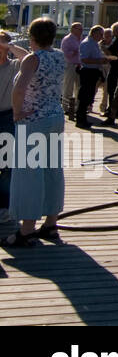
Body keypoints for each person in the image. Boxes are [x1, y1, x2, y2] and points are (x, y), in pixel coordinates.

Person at [4, 18, 67, 246]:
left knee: (30, 173)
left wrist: (16, 113)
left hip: (33, 120)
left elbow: (19, 89)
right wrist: (10, 47)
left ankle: (27, 229)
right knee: (52, 169)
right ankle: (51, 224)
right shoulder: (59, 56)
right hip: (55, 118)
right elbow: (30, 60)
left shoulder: (33, 59)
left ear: (31, 37)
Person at [0, 31, 31, 227]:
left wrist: (8, 45)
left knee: (6, 164)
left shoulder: (14, 66)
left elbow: (28, 57)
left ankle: (4, 206)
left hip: (6, 116)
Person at [75, 26, 110, 129]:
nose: (102, 37)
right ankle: (80, 120)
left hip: (93, 71)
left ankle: (83, 119)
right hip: (87, 71)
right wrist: (99, 61)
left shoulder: (94, 43)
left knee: (89, 96)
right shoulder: (87, 43)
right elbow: (84, 59)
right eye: (100, 34)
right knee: (84, 96)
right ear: (94, 33)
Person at [99, 22, 118, 117]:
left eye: (113, 32)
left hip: (116, 67)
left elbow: (111, 54)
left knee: (112, 89)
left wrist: (102, 47)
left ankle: (113, 111)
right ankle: (117, 110)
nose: (113, 35)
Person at [59, 21, 83, 119]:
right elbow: (65, 54)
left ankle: (76, 107)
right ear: (73, 29)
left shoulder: (81, 39)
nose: (81, 31)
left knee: (78, 87)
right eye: (79, 29)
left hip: (79, 65)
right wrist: (76, 51)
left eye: (81, 29)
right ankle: (66, 107)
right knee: (68, 86)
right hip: (70, 65)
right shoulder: (67, 39)